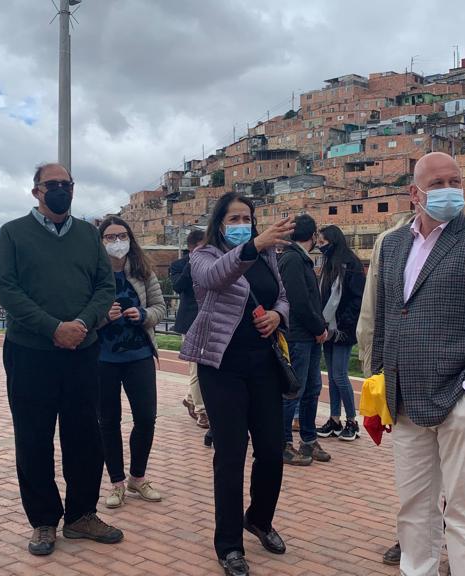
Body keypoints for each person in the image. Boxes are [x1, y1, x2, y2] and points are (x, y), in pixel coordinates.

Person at [371, 152, 465, 575]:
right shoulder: (395, 244)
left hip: (461, 400)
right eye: (437, 184)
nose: (449, 190)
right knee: (414, 507)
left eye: (455, 181)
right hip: (405, 401)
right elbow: (387, 316)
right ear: (414, 194)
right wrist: (382, 378)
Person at [0, 163, 122, 557]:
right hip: (31, 353)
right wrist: (53, 328)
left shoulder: (87, 234)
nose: (61, 190)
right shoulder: (13, 233)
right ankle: (44, 521)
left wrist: (82, 323)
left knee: (85, 436)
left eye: (67, 184)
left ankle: (82, 515)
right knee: (33, 439)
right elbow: (8, 292)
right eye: (53, 185)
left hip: (83, 352)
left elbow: (105, 286)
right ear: (36, 191)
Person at [178, 192, 294, 576]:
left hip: (263, 365)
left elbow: (281, 296)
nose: (242, 222)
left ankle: (259, 519)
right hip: (221, 366)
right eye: (234, 218)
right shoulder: (204, 256)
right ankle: (228, 545)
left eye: (247, 216)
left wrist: (278, 316)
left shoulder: (268, 256)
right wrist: (253, 244)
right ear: (220, 223)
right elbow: (216, 278)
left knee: (271, 450)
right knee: (230, 456)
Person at [95, 216, 166, 509]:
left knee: (146, 418)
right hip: (103, 360)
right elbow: (81, 316)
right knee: (108, 421)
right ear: (100, 242)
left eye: (121, 236)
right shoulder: (93, 275)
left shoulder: (142, 270)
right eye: (110, 237)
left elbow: (159, 307)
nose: (117, 242)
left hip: (139, 356)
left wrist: (144, 315)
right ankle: (117, 482)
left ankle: (138, 477)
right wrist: (102, 318)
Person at [355, 210, 413, 567]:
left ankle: (457, 548)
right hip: (402, 378)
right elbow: (372, 309)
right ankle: (409, 539)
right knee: (413, 476)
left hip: (460, 382)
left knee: (461, 483)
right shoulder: (390, 242)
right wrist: (373, 369)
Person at [277, 214, 330, 466]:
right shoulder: (292, 259)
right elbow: (299, 302)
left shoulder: (301, 259)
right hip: (299, 335)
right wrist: (319, 327)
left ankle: (308, 439)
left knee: (312, 389)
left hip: (309, 336)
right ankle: (283, 442)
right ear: (312, 235)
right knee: (293, 391)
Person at [315, 225, 365, 442]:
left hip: (342, 330)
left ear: (333, 242)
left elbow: (356, 299)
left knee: (339, 376)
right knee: (334, 379)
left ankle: (352, 421)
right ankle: (334, 419)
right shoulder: (329, 264)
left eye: (323, 242)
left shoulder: (350, 264)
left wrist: (343, 326)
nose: (319, 246)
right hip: (327, 327)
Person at [171, 230, 209, 429]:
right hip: (190, 321)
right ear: (193, 247)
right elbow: (178, 286)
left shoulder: (213, 263)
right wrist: (192, 263)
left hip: (210, 320)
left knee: (206, 366)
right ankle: (202, 410)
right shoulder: (179, 265)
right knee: (196, 367)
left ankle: (190, 398)